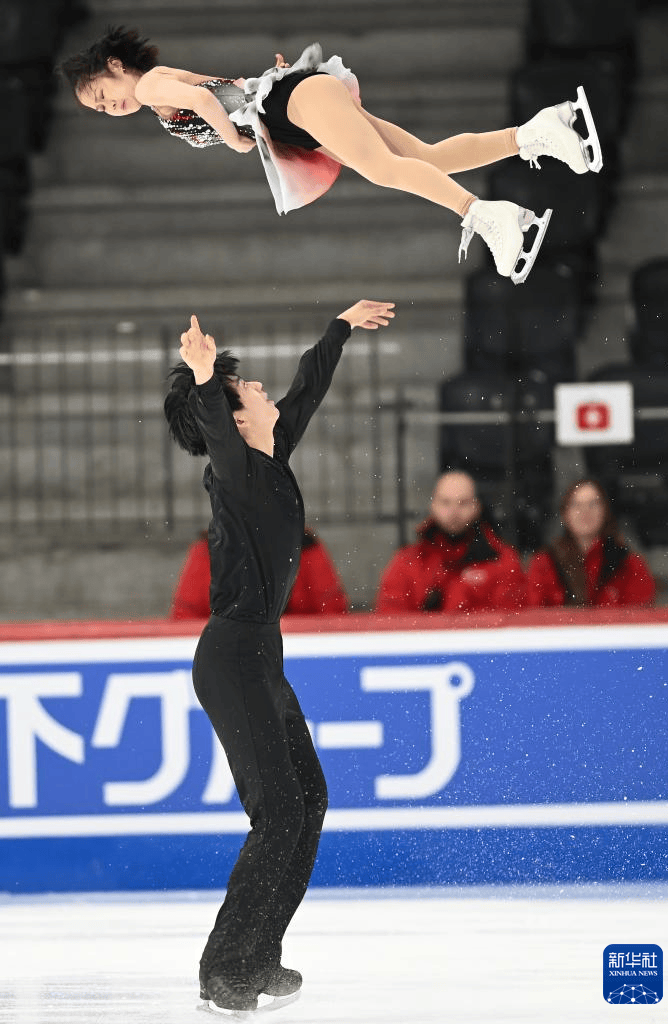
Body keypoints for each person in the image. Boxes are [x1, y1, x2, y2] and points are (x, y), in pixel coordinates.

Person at [162, 298, 394, 1014]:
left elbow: (306, 388)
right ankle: (224, 971)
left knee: (308, 800)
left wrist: (341, 327)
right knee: (279, 813)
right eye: (247, 391)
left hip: (259, 656)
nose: (262, 392)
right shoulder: (232, 471)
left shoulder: (269, 452)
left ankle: (258, 957)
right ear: (232, 419)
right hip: (231, 656)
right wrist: (205, 380)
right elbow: (216, 422)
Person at [59, 27, 603, 284]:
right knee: (426, 159)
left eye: (105, 94)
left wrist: (230, 138)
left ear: (114, 66)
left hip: (290, 104)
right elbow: (225, 88)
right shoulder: (156, 86)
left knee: (386, 170)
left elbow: (206, 99)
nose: (111, 106)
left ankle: (490, 217)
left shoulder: (152, 87)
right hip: (293, 103)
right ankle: (540, 132)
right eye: (101, 111)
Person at [375, 470, 526, 614]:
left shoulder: (503, 561)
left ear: (477, 507)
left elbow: (512, 624)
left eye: (463, 503)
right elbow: (390, 622)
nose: (454, 511)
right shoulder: (407, 562)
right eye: (446, 502)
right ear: (433, 506)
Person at [526, 478, 656, 608]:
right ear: (565, 514)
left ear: (605, 511)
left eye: (594, 504)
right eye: (576, 505)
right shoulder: (544, 563)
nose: (585, 511)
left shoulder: (630, 564)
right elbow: (535, 618)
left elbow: (640, 620)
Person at [169, 526, 348, 620]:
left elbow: (332, 617)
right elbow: (185, 619)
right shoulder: (208, 548)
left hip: (295, 652)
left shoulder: (305, 547)